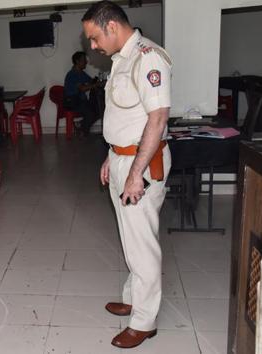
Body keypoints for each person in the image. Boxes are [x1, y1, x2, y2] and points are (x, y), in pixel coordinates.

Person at [82, 1, 172, 349]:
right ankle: (134, 298)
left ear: (112, 27)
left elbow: (157, 119)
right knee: (130, 237)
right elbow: (125, 118)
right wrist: (111, 155)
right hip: (123, 158)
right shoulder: (122, 59)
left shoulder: (148, 58)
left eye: (93, 38)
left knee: (142, 243)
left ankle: (144, 321)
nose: (92, 46)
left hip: (142, 164)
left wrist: (135, 173)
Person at [63, 51, 103, 135]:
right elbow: (83, 88)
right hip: (72, 102)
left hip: (80, 101)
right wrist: (97, 84)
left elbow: (91, 81)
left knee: (100, 109)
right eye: (84, 60)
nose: (86, 62)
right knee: (91, 112)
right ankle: (82, 130)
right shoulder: (72, 74)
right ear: (77, 61)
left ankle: (81, 125)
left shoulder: (81, 73)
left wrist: (99, 81)